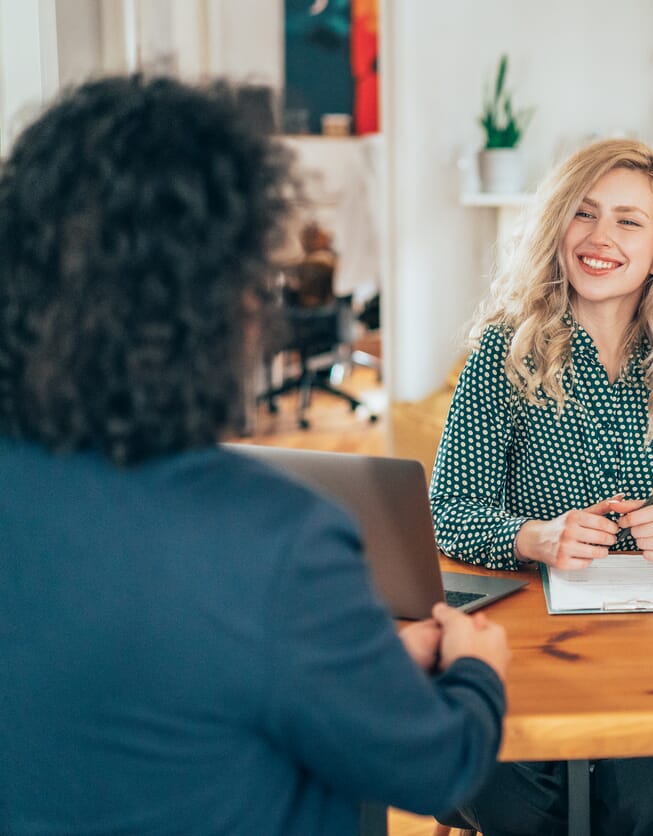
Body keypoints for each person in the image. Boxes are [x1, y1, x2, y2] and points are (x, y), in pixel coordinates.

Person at [0, 76, 510, 836]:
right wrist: (476, 672)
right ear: (218, 304)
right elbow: (435, 766)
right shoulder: (274, 540)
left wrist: (351, 656)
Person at [430, 138, 653, 834]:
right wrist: (534, 535)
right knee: (502, 778)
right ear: (558, 225)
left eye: (627, 220)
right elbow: (447, 513)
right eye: (584, 213)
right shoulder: (504, 352)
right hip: (529, 647)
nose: (600, 237)